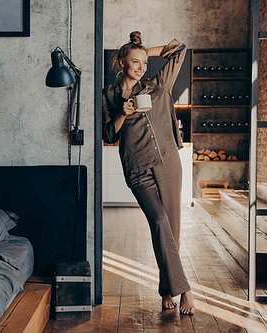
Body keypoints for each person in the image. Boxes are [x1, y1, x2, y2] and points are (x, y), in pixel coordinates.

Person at [102, 31, 195, 315]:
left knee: (171, 230)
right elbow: (107, 133)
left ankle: (167, 288)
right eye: (135, 62)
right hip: (137, 168)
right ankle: (186, 292)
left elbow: (179, 49)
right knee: (159, 221)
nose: (141, 67)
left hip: (167, 162)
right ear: (122, 63)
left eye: (144, 62)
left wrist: (144, 50)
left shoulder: (158, 85)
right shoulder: (109, 95)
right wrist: (123, 113)